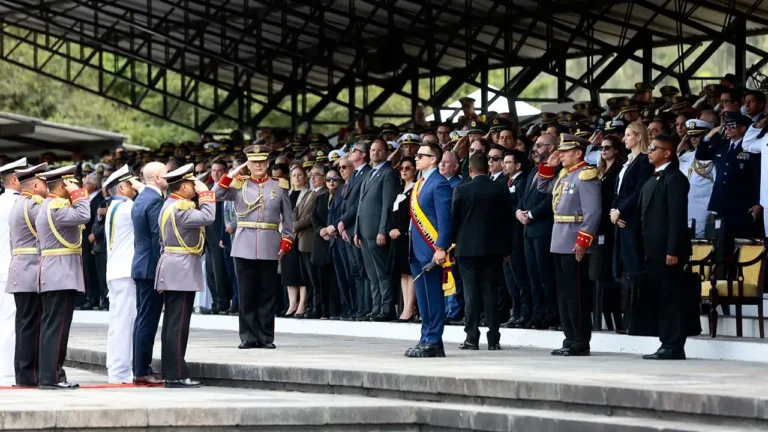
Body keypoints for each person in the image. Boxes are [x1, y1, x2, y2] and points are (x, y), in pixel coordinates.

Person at [214, 145, 294, 350]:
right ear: (248, 165)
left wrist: (287, 240)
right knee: (246, 293)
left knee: (267, 293)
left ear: (268, 163)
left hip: (269, 243)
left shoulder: (279, 185)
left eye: (262, 161)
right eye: (254, 162)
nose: (258, 165)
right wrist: (231, 174)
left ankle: (266, 337)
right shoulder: (239, 184)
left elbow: (287, 218)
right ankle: (248, 336)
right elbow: (215, 195)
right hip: (243, 244)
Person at [536, 135, 601, 357]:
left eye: (565, 152)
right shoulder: (565, 174)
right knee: (563, 294)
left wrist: (583, 241)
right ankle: (569, 337)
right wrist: (549, 165)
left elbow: (592, 212)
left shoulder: (586, 175)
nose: (560, 155)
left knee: (577, 295)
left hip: (574, 240)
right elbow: (543, 187)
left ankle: (580, 340)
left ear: (578, 153)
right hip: (559, 239)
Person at [156, 164, 215, 388]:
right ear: (183, 187)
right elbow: (208, 216)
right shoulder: (179, 208)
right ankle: (176, 374)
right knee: (178, 324)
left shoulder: (170, 204)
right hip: (180, 269)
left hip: (174, 267)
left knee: (174, 322)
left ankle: (172, 372)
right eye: (192, 184)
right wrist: (206, 193)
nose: (195, 188)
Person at [35, 165, 91, 390]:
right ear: (63, 185)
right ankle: (53, 377)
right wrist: (78, 194)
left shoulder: (48, 206)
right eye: (72, 184)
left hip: (54, 272)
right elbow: (84, 215)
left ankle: (50, 375)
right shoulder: (56, 207)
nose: (75, 188)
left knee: (53, 326)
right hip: (60, 274)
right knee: (57, 328)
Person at [451, 153, 513, 351]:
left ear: (470, 169)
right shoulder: (500, 188)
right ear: (487, 169)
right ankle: (493, 339)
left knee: (470, 293)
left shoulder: (461, 190)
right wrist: (507, 248)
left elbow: (454, 221)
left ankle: (471, 338)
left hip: (467, 249)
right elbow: (508, 220)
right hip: (494, 249)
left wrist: (452, 246)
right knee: (491, 293)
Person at [639, 134, 692, 360]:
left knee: (672, 297)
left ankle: (674, 344)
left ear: (667, 153)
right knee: (661, 297)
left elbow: (677, 218)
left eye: (654, 148)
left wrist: (673, 250)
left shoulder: (675, 178)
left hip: (667, 250)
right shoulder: (654, 177)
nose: (649, 151)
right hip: (653, 249)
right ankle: (665, 341)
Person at [406, 142, 452, 358]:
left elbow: (444, 219)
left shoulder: (439, 184)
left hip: (432, 249)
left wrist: (441, 247)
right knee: (423, 299)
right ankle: (427, 338)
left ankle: (433, 339)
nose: (416, 158)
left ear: (433, 159)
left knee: (432, 296)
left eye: (420, 155)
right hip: (417, 249)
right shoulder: (420, 183)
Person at [6, 162, 47, 387]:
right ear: (35, 185)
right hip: (31, 269)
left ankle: (23, 373)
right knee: (32, 324)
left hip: (19, 269)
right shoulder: (33, 205)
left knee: (24, 323)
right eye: (44, 183)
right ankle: (31, 374)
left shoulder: (18, 203)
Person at [695, 111, 762, 240]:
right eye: (726, 126)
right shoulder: (722, 144)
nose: (728, 129)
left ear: (743, 129)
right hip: (720, 202)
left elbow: (758, 177)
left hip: (742, 204)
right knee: (719, 242)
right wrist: (708, 136)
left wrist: (758, 203)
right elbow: (701, 155)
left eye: (732, 126)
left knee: (740, 242)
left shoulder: (751, 147)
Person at [131, 161, 168, 387]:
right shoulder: (154, 200)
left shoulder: (141, 197)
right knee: (148, 320)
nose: (169, 178)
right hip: (150, 267)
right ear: (157, 178)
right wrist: (162, 270)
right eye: (166, 174)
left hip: (141, 264)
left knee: (142, 319)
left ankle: (140, 368)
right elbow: (157, 237)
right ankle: (142, 370)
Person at [354, 138, 399, 321]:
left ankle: (386, 308)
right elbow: (360, 205)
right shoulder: (369, 173)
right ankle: (376, 307)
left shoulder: (388, 173)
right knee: (372, 273)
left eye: (379, 150)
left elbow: (387, 204)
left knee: (382, 272)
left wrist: (383, 230)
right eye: (373, 150)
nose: (375, 153)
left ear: (387, 153)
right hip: (364, 230)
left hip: (376, 231)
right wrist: (357, 230)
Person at [103, 166, 140, 384]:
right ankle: (120, 371)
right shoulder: (127, 207)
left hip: (116, 272)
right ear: (122, 188)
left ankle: (116, 369)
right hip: (125, 272)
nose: (135, 188)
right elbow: (151, 206)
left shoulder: (114, 207)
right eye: (131, 184)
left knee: (118, 322)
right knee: (125, 323)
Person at [518, 134, 558, 329]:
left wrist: (532, 214)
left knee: (546, 275)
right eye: (535, 145)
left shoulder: (557, 170)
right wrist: (519, 212)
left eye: (540, 145)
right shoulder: (534, 170)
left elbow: (552, 199)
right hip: (528, 230)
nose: (535, 149)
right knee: (533, 276)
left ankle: (551, 314)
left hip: (543, 229)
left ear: (550, 148)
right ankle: (537, 313)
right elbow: (524, 197)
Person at [592, 136, 627, 330]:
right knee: (599, 273)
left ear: (616, 150)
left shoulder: (619, 170)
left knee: (608, 273)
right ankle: (605, 318)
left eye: (608, 147)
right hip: (598, 224)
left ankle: (617, 319)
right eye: (601, 147)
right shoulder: (599, 171)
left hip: (610, 224)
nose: (604, 150)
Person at [611, 122, 654, 280]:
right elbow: (618, 191)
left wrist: (619, 210)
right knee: (622, 263)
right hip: (621, 218)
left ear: (639, 136)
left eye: (628, 135)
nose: (624, 139)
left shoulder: (644, 161)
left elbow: (639, 191)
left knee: (632, 262)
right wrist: (613, 210)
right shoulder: (628, 161)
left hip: (633, 218)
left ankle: (635, 293)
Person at [337, 140, 372, 320]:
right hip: (348, 229)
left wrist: (343, 221)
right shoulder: (355, 174)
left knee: (364, 271)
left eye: (354, 150)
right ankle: (359, 308)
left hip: (357, 227)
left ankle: (366, 308)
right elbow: (346, 202)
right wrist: (343, 224)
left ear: (363, 155)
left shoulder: (367, 173)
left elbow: (358, 203)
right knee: (356, 271)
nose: (350, 152)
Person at [0, 158, 27, 385]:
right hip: (12, 267)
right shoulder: (20, 204)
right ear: (16, 179)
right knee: (10, 320)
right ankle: (7, 369)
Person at [501, 150, 531, 328]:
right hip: (507, 237)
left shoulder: (522, 181)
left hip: (517, 237)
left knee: (520, 278)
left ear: (518, 165)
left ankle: (524, 314)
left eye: (508, 162)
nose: (504, 165)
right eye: (503, 162)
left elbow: (519, 205)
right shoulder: (508, 181)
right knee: (511, 279)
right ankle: (516, 313)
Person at [389, 157, 417, 322]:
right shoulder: (400, 190)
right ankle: (406, 306)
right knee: (402, 273)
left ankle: (410, 307)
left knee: (409, 272)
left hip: (408, 236)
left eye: (408, 168)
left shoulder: (415, 188)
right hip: (397, 237)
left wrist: (401, 230)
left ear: (414, 170)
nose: (404, 171)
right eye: (401, 168)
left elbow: (414, 215)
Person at [294, 163, 324, 319]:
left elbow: (312, 217)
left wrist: (294, 226)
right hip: (301, 240)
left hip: (311, 240)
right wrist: (293, 223)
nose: (313, 178)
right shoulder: (309, 193)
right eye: (311, 175)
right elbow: (296, 210)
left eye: (316, 175)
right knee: (307, 278)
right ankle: (310, 305)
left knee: (315, 278)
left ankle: (316, 307)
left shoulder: (323, 193)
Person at [325, 160, 354, 318]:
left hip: (343, 236)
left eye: (335, 178)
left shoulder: (347, 189)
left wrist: (335, 227)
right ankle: (346, 307)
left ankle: (353, 308)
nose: (342, 170)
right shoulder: (339, 192)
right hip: (334, 240)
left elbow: (345, 213)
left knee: (349, 275)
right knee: (341, 277)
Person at [678, 119, 715, 238]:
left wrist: (714, 211)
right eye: (690, 136)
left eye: (697, 135)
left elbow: (717, 184)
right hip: (684, 209)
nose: (693, 139)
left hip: (703, 210)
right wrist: (677, 151)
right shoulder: (685, 156)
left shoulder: (712, 157)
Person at [310, 165, 338, 319]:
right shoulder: (320, 197)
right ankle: (322, 309)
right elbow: (314, 217)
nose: (331, 182)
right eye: (328, 179)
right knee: (320, 278)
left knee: (334, 278)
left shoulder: (342, 196)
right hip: (321, 241)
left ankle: (334, 310)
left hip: (335, 239)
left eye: (334, 179)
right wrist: (321, 230)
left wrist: (330, 230)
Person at [203, 159, 231, 314]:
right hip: (207, 236)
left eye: (219, 170)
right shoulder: (207, 188)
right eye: (213, 170)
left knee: (220, 272)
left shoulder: (226, 190)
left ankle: (223, 302)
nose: (215, 173)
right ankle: (215, 301)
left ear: (225, 172)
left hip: (219, 236)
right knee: (210, 273)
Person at [282, 165, 309, 317]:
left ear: (305, 177)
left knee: (300, 272)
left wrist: (293, 227)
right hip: (286, 237)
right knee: (289, 271)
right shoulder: (286, 194)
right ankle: (292, 303)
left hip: (300, 236)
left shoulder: (308, 194)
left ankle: (302, 304)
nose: (297, 178)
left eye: (299, 175)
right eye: (294, 175)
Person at [81, 174, 104, 310]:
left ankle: (93, 297)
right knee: (87, 269)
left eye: (87, 183)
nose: (84, 185)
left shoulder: (99, 200)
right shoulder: (88, 199)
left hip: (93, 240)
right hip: (84, 240)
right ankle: (89, 296)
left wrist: (95, 235)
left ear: (94, 186)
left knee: (92, 270)